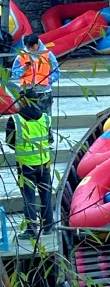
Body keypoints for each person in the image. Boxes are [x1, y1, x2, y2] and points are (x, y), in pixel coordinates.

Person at [6, 93, 54, 235]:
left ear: (22, 101)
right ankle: (48, 226)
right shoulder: (46, 118)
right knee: (46, 194)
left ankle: (31, 230)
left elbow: (10, 142)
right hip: (43, 163)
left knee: (29, 197)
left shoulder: (14, 120)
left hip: (25, 166)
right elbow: (50, 139)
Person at [13, 33, 60, 114]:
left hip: (44, 92)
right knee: (27, 118)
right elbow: (14, 73)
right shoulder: (21, 56)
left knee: (45, 117)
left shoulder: (48, 54)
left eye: (32, 46)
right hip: (27, 92)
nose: (30, 49)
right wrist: (23, 69)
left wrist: (48, 80)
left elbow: (57, 72)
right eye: (28, 47)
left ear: (38, 43)